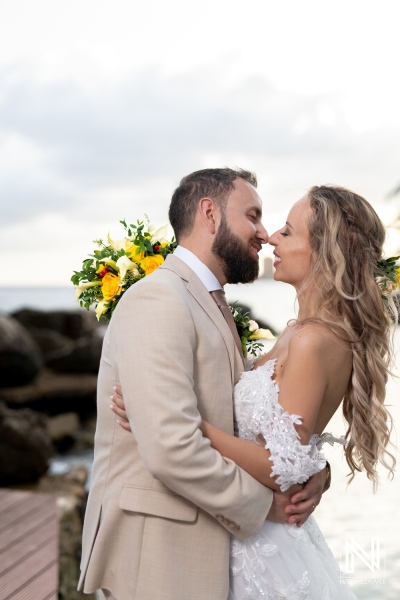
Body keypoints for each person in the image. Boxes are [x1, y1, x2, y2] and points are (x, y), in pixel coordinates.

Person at [112, 184, 397, 598]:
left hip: (263, 543)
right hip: (248, 532)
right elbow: (298, 448)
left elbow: (282, 466)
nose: (271, 238)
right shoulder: (300, 332)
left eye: (287, 230)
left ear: (323, 251)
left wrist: (175, 422)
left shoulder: (312, 341)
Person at [78, 168, 328, 600]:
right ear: (209, 214)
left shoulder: (206, 299)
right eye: (253, 215)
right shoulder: (158, 299)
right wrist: (265, 504)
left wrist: (311, 472)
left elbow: (266, 411)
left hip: (204, 548)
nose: (264, 234)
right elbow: (171, 447)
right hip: (161, 551)